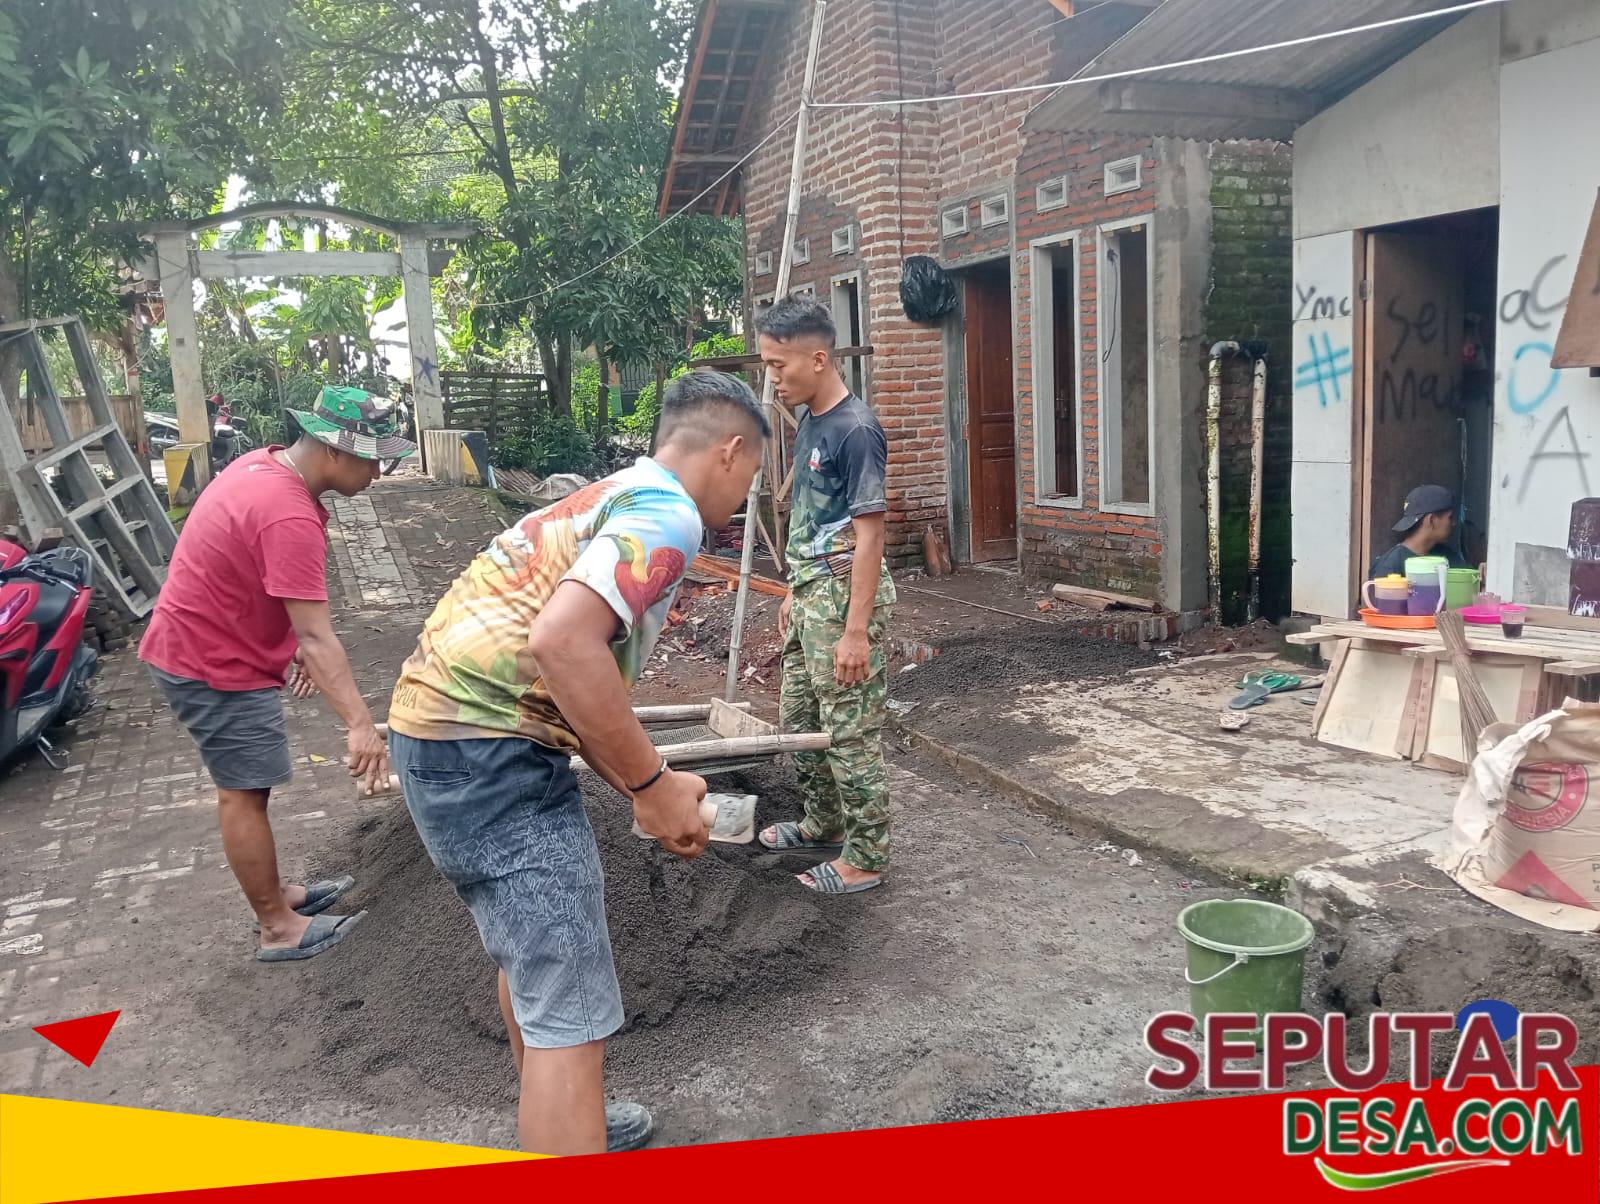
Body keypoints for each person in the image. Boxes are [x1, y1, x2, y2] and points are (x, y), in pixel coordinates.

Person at [386, 371, 768, 1156]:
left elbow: (570, 686)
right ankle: (567, 1127)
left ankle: (565, 1116)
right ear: (730, 451)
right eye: (754, 472)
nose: (745, 495)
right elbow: (562, 643)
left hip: (437, 736)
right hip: (491, 754)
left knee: (534, 962)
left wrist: (646, 788)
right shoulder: (668, 514)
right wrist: (654, 786)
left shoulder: (607, 496)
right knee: (571, 1010)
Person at [140, 386, 412, 962]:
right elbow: (317, 636)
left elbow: (243, 572)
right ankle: (277, 926)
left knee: (251, 787)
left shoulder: (263, 467)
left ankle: (276, 895)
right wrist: (360, 726)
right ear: (334, 450)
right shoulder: (288, 513)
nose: (378, 472)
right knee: (243, 792)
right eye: (372, 459)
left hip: (204, 643)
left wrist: (287, 646)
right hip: (212, 664)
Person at [753, 296, 895, 896]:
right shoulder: (811, 417)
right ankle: (823, 824)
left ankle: (866, 856)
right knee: (799, 719)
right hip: (810, 593)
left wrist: (855, 631)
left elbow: (870, 536)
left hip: (842, 599)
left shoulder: (855, 429)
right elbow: (814, 517)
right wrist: (794, 587)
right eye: (767, 364)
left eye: (778, 365)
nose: (772, 378)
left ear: (817, 358)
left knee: (848, 731)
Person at [1370, 484, 1471, 578]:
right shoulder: (1390, 566)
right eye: (1450, 517)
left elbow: (1472, 581)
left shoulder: (1445, 556)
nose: (1454, 523)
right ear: (1431, 520)